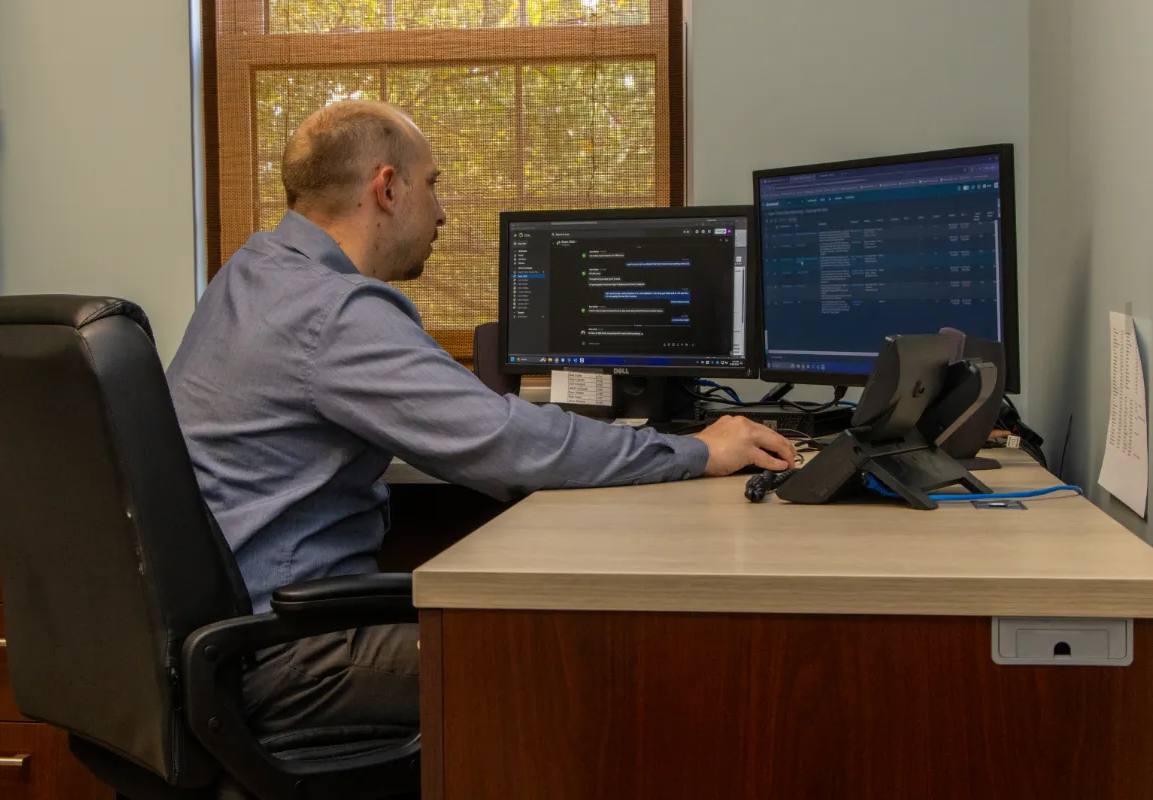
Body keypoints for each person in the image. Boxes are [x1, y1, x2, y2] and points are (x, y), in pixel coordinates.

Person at [167, 100, 795, 734]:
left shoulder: (250, 272)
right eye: (432, 183)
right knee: (575, 661)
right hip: (289, 653)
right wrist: (698, 450)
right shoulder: (334, 313)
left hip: (227, 634)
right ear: (387, 188)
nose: (442, 211)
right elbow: (508, 443)